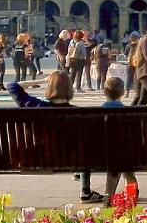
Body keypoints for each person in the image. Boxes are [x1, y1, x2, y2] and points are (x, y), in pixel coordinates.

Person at [7, 71, 104, 202]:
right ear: (70, 89)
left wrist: (42, 81)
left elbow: (12, 86)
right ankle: (85, 191)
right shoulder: (80, 113)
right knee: (84, 147)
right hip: (74, 160)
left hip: (40, 158)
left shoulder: (37, 106)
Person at [99, 77, 137, 202]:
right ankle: (132, 192)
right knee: (123, 155)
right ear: (122, 92)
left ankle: (108, 198)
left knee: (115, 159)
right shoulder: (128, 113)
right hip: (125, 154)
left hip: (102, 154)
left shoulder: (96, 113)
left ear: (104, 92)